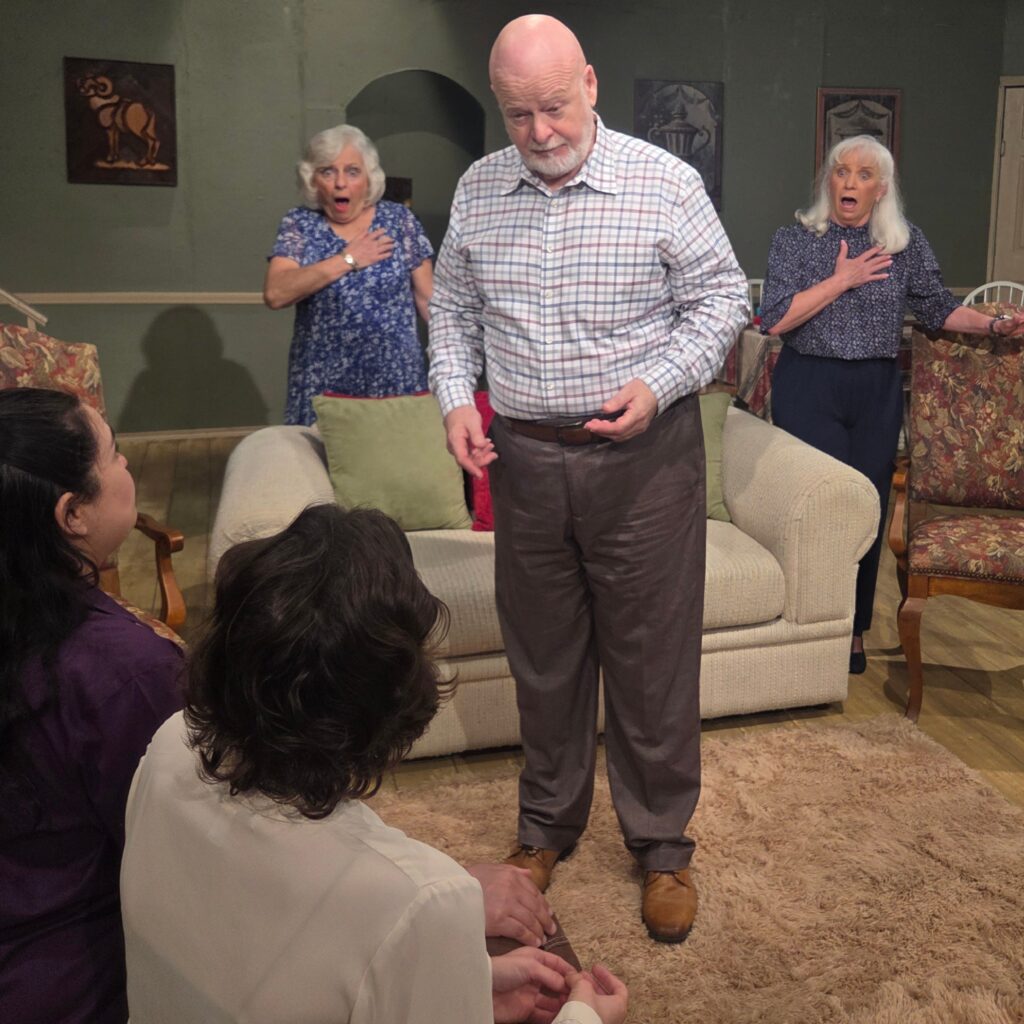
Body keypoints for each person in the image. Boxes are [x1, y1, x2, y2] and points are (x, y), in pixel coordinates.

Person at [428, 14, 749, 944]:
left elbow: (723, 298)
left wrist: (660, 383)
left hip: (644, 462)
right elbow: (453, 312)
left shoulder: (664, 181)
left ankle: (663, 845)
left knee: (650, 661)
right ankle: (545, 826)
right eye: (518, 114)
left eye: (555, 108)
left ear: (591, 85)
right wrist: (454, 398)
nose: (540, 132)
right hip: (525, 460)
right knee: (544, 657)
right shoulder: (480, 189)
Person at [121, 504, 628, 1024]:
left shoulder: (169, 744)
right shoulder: (420, 899)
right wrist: (584, 1017)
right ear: (395, 700)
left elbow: (263, 954)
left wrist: (465, 981)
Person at [760, 134, 1024, 675]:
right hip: (809, 383)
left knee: (868, 509)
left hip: (876, 389)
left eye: (863, 175)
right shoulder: (796, 239)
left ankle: (852, 629)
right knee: (816, 510)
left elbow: (938, 309)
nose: (849, 182)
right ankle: (806, 626)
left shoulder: (904, 244)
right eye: (841, 171)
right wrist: (842, 280)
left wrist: (994, 326)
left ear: (881, 189)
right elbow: (776, 318)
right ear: (828, 181)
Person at [0, 387, 184, 1024]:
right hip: (76, 984)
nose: (127, 466)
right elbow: (185, 862)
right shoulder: (126, 672)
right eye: (114, 454)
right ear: (73, 512)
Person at [264, 124, 435, 425]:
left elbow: (428, 300)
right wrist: (348, 259)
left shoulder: (399, 220)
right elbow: (276, 293)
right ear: (312, 179)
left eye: (352, 171)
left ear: (369, 178)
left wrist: (455, 366)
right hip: (323, 383)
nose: (340, 183)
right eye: (327, 172)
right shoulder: (300, 224)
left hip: (396, 381)